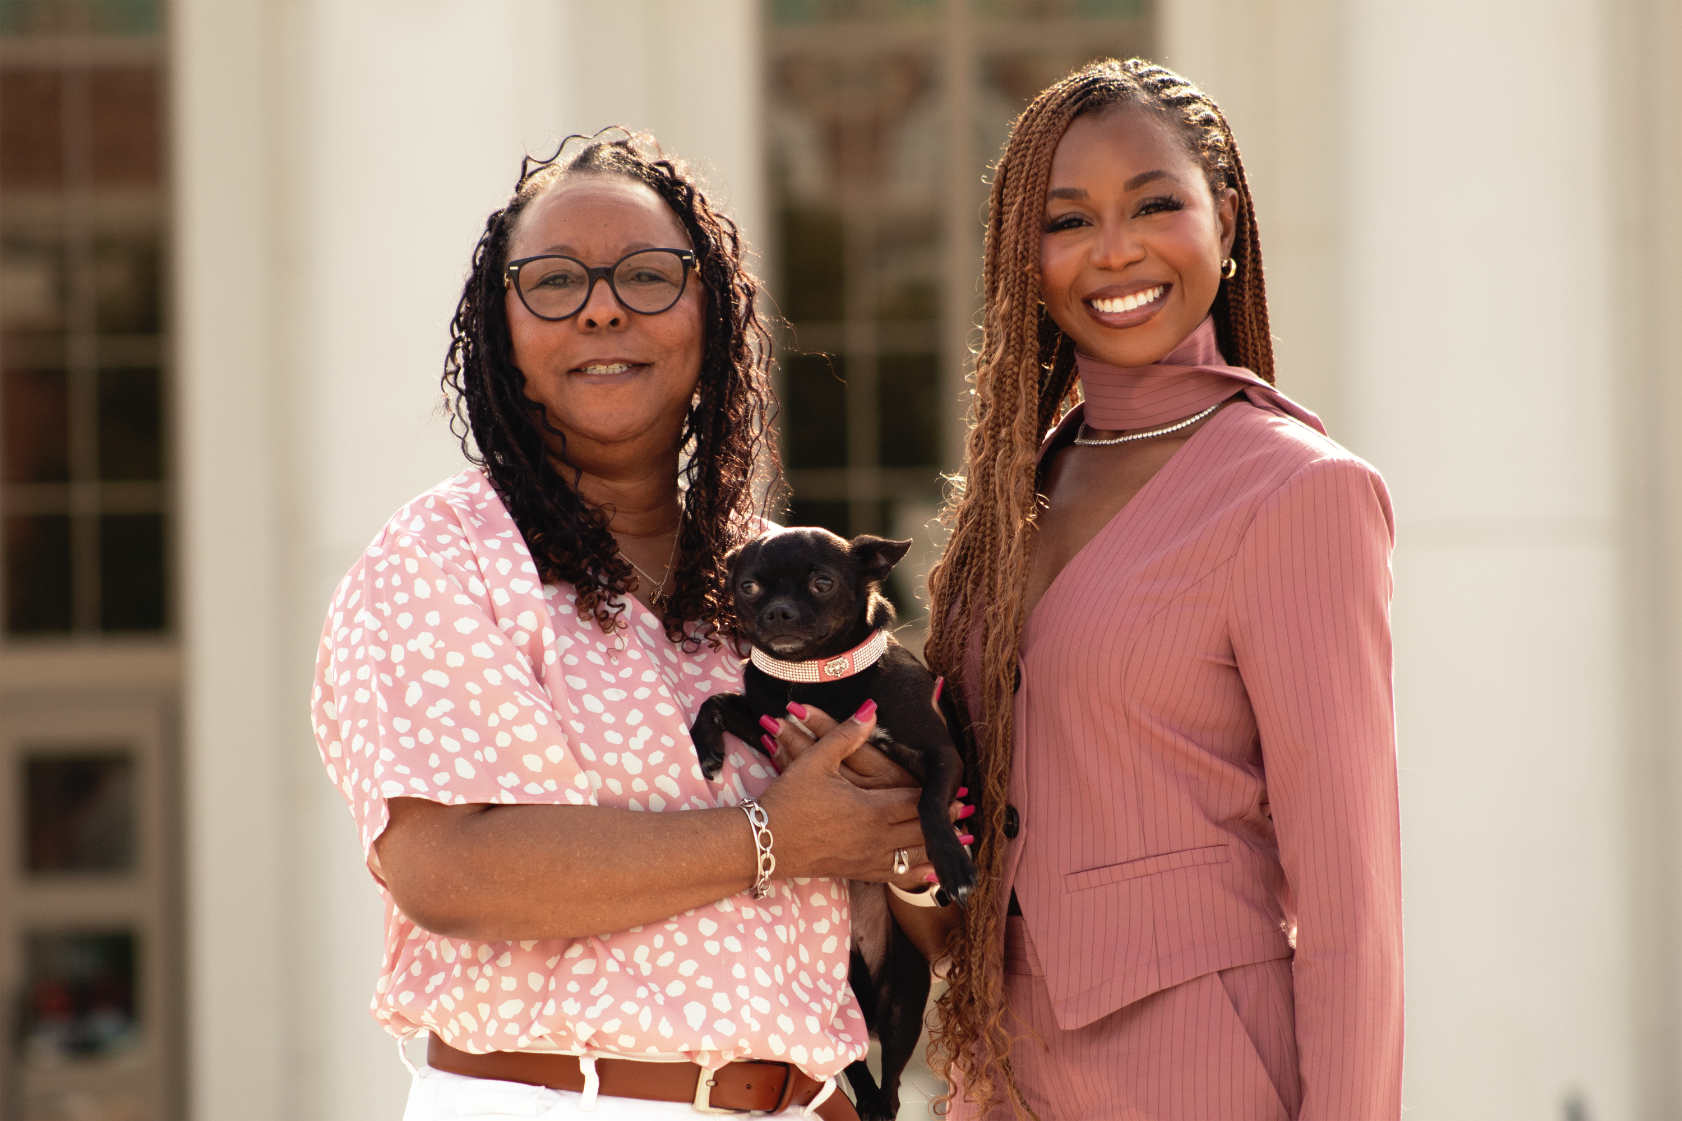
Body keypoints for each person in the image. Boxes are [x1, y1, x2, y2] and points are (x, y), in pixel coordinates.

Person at [310, 131, 957, 1120]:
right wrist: (772, 835)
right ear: (502, 337)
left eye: (648, 276)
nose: (603, 304)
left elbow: (935, 931)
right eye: (555, 281)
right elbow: (444, 869)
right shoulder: (445, 560)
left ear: (712, 321)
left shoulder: (787, 577)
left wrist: (893, 838)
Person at [808, 58, 1404, 1119]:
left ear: (1223, 219)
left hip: (1201, 1070)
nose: (1115, 248)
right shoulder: (1018, 488)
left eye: (1154, 204)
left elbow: (1351, 900)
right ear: (1022, 259)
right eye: (1067, 219)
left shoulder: (1298, 491)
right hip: (999, 1073)